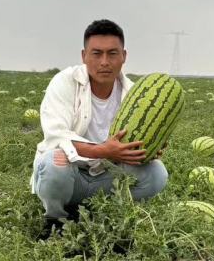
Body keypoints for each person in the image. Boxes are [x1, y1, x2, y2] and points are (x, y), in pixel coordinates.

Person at [30, 20, 169, 235]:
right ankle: (55, 220)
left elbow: (133, 145)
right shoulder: (64, 82)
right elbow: (56, 137)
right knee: (53, 161)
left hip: (107, 176)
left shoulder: (135, 94)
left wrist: (148, 149)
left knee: (157, 172)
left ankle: (109, 212)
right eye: (97, 53)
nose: (104, 62)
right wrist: (102, 150)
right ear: (84, 55)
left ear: (124, 56)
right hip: (72, 175)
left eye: (112, 53)